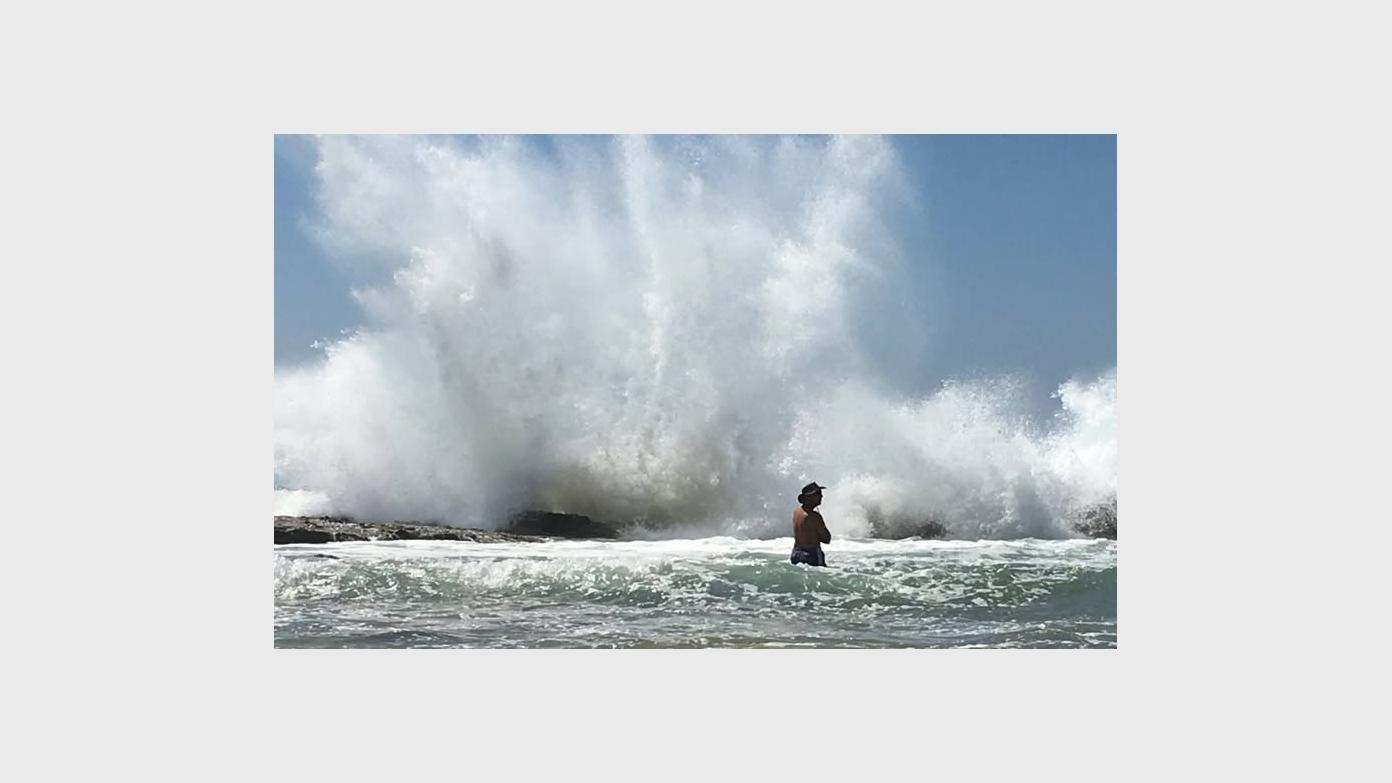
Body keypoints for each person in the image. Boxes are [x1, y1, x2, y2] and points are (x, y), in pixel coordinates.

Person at [790, 482, 831, 566]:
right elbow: (827, 539)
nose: (821, 496)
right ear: (810, 497)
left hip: (796, 553)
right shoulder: (814, 517)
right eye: (818, 494)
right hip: (811, 554)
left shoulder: (796, 512)